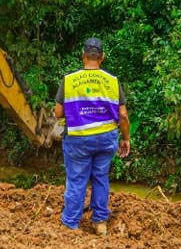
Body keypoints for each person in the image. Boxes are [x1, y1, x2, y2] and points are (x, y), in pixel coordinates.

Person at [54, 37, 130, 235]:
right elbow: (123, 115)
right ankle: (100, 223)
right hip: (106, 139)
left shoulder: (69, 80)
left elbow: (58, 113)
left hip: (78, 139)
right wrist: (126, 139)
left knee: (77, 180)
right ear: (102, 57)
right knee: (100, 177)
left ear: (83, 56)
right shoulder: (112, 81)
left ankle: (70, 223)